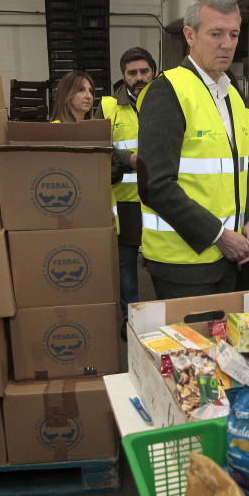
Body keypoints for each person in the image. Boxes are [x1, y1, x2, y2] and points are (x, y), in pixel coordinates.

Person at [136, 0, 249, 300]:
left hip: (229, 257)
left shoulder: (231, 95)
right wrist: (219, 235)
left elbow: (237, 172)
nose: (227, 44)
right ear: (190, 35)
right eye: (216, 33)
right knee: (192, 349)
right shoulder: (167, 91)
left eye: (233, 34)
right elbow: (156, 185)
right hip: (183, 264)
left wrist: (248, 220)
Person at [97, 48, 156, 322]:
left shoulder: (167, 101)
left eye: (144, 71)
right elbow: (99, 147)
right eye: (132, 73)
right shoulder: (109, 107)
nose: (139, 77)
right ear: (123, 76)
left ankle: (163, 322)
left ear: (153, 72)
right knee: (127, 267)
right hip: (126, 200)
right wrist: (128, 158)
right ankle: (131, 323)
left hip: (161, 200)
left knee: (162, 264)